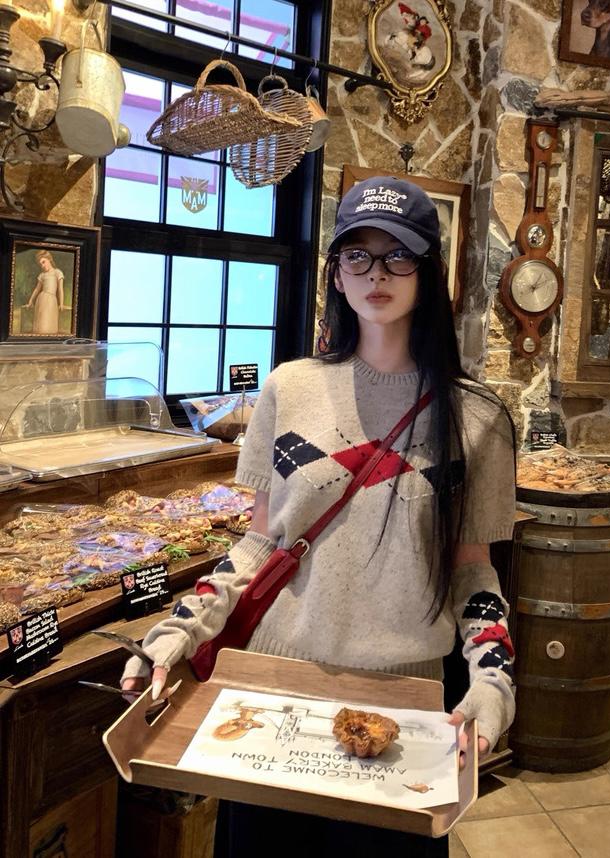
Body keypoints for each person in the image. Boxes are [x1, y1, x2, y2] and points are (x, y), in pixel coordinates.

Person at [121, 177, 517, 857]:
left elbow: (472, 570)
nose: (376, 273)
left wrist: (493, 676)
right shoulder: (290, 387)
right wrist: (181, 628)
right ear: (336, 272)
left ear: (429, 270)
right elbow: (257, 543)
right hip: (272, 691)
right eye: (357, 255)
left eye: (399, 255)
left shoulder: (478, 418)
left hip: (403, 702)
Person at [23, 250, 66, 335]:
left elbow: (60, 289)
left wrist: (61, 303)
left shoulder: (57, 272)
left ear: (49, 259)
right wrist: (30, 301)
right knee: (41, 323)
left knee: (49, 322)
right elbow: (37, 289)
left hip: (51, 301)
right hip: (41, 300)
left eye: (43, 262)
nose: (42, 266)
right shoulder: (42, 275)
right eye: (40, 264)